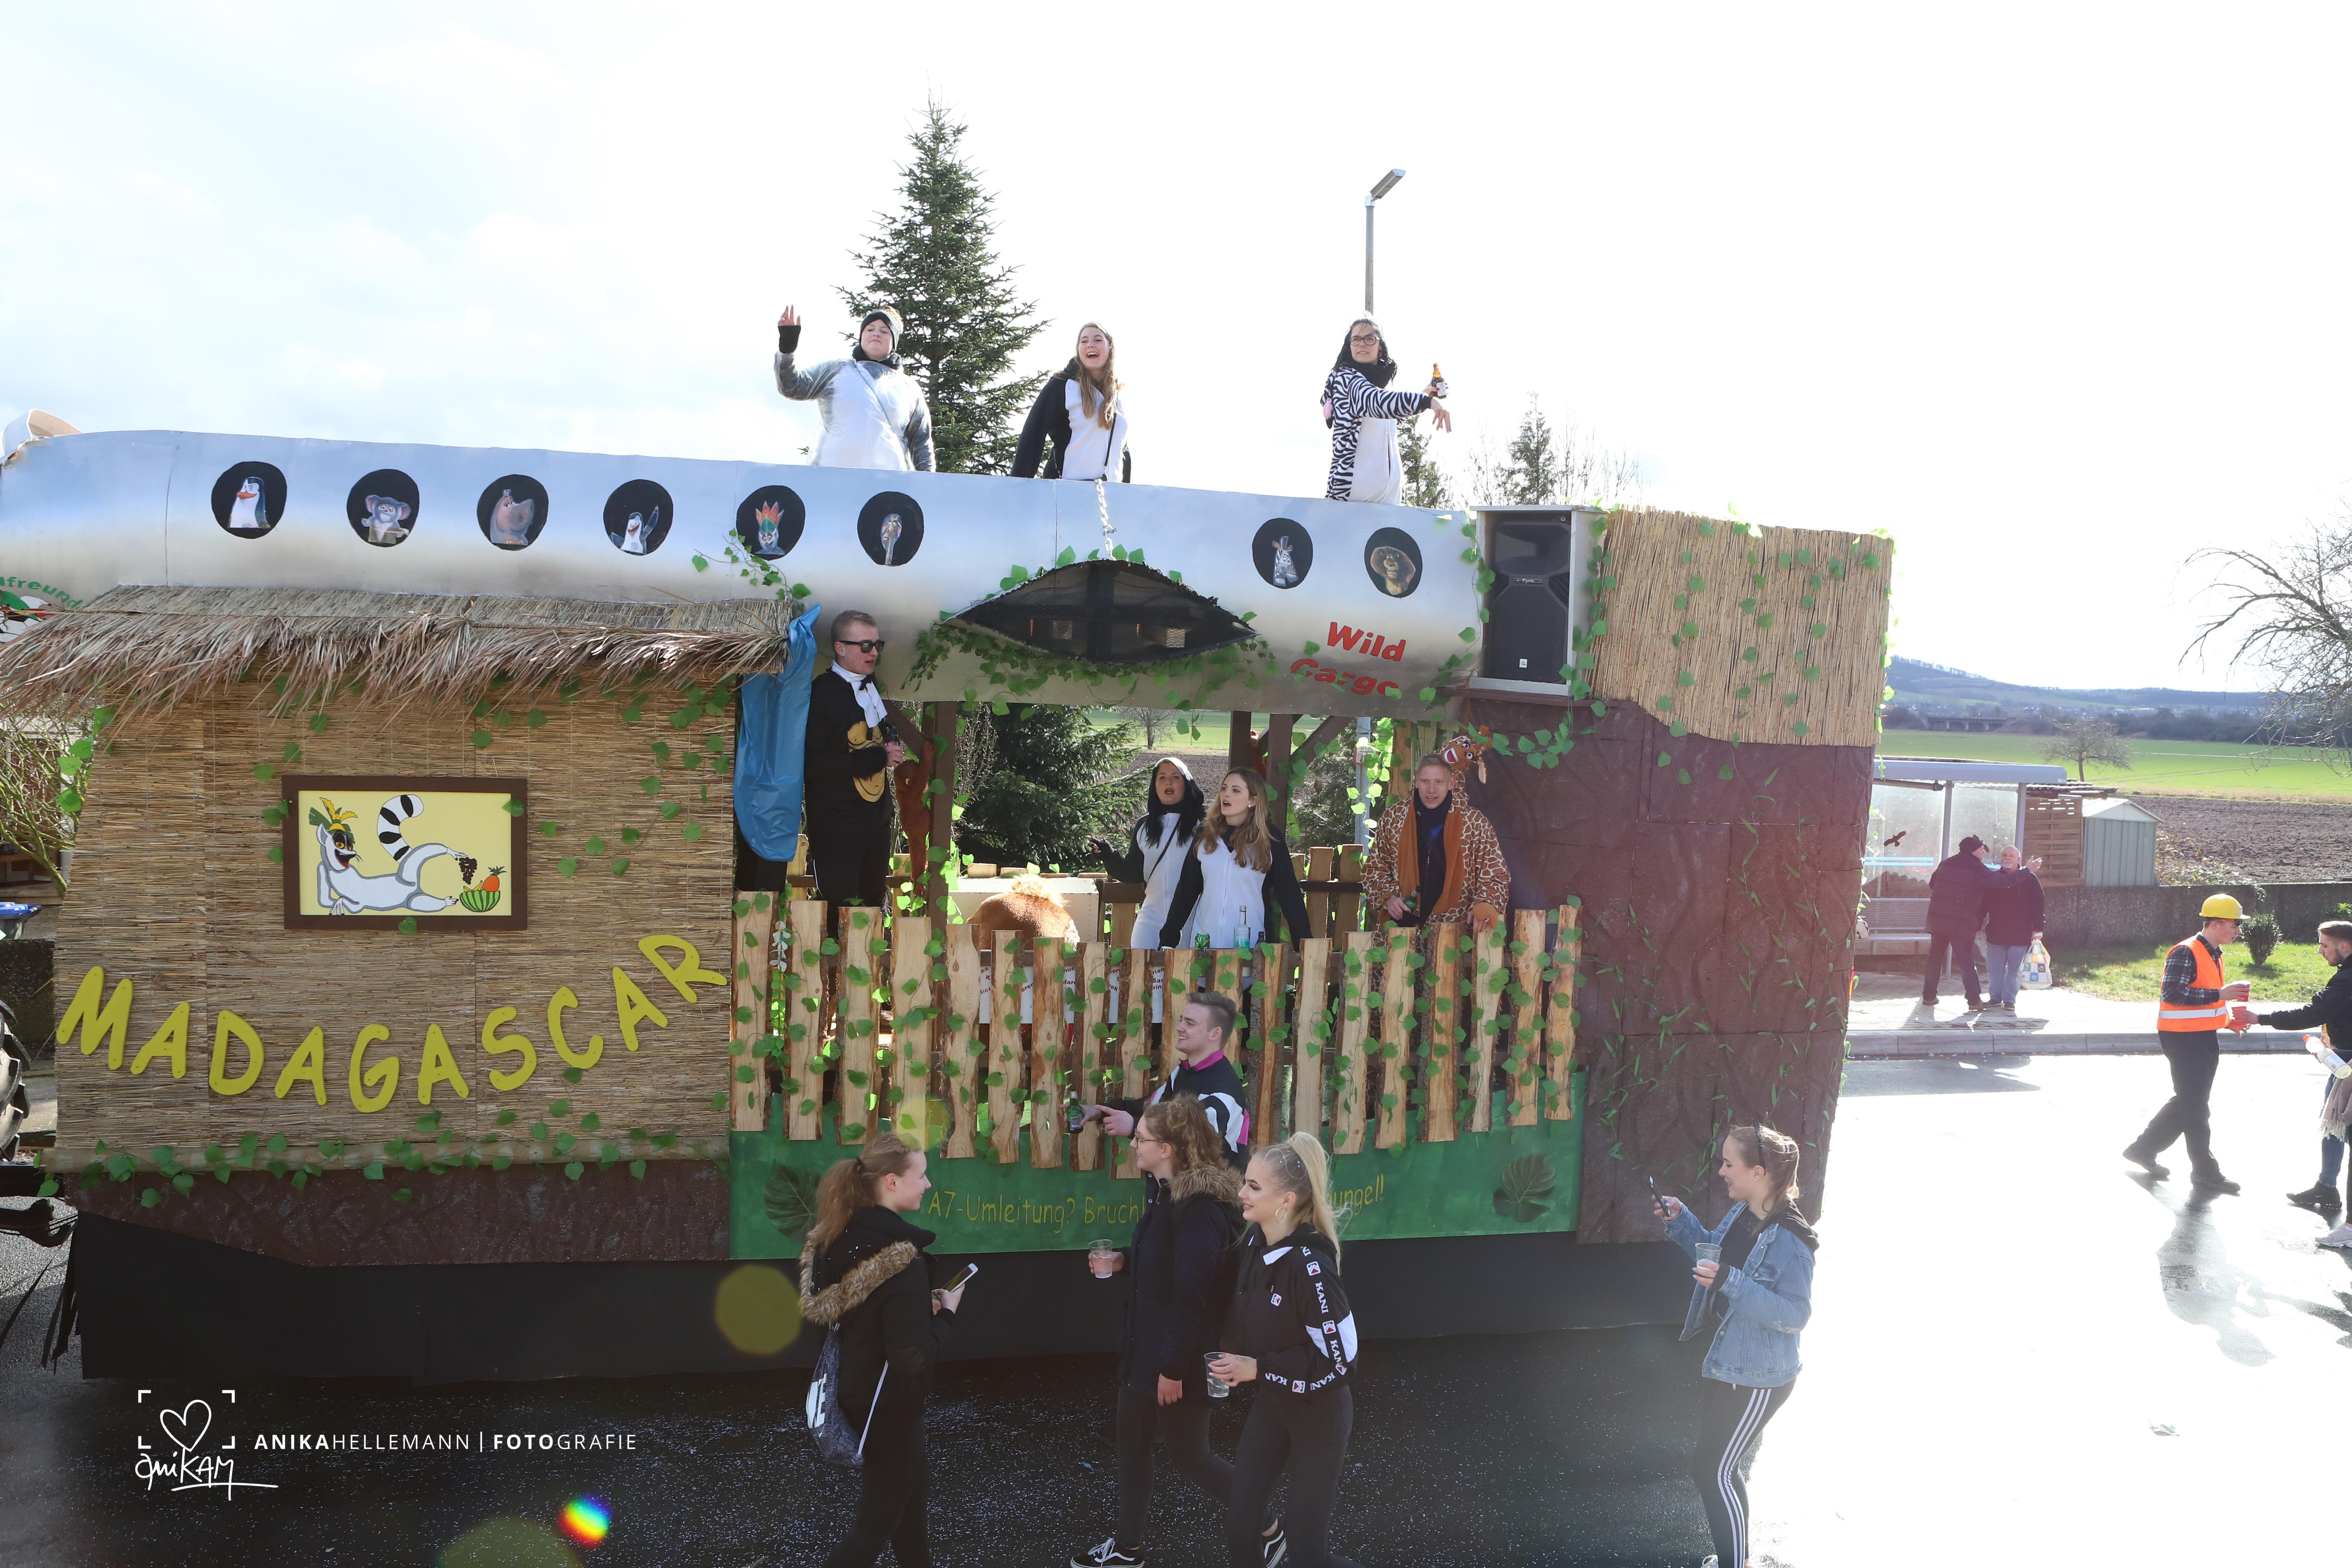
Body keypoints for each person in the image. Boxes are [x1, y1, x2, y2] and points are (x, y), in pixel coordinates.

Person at [1071, 1095, 1262, 1568]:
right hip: (1145, 1350)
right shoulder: (1165, 1191)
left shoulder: (1200, 1209)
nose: (1134, 1144)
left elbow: (1192, 1294)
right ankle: (1127, 1547)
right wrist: (1123, 1260)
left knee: (1192, 1457)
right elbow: (1165, 1261)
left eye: (1141, 1138)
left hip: (1176, 1357)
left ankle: (1270, 1525)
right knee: (1132, 1446)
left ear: (1168, 1149)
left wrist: (1173, 1369)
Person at [799, 1129, 966, 1568]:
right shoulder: (902, 1261)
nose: (928, 1183)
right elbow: (911, 1357)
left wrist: (916, 1311)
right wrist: (946, 1315)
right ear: (892, 1181)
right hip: (889, 1405)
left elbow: (862, 1316)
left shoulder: (838, 1235)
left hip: (854, 1388)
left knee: (909, 1511)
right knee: (874, 1527)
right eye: (921, 1175)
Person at [1654, 1125, 1819, 1568]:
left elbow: (1796, 1314)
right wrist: (1682, 1221)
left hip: (1758, 1377)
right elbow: (1715, 1256)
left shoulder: (1793, 1241)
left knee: (1712, 1469)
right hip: (1729, 1362)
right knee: (1721, 1469)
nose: (1722, 1171)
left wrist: (1733, 1281)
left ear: (1759, 1172)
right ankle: (1738, 1559)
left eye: (1730, 1163)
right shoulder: (1746, 1213)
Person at [1209, 1134, 1363, 1568]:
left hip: (1321, 1414)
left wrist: (1260, 1368)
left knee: (1307, 1551)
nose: (1241, 1191)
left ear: (1287, 1199)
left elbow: (1341, 1363)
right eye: (1246, 1181)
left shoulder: (1311, 1267)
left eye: (1254, 1186)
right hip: (1275, 1404)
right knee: (1241, 1524)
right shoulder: (1255, 1241)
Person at [2122, 894, 2254, 1193]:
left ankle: (2143, 1149)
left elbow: (2203, 1000)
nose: (2238, 931)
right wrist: (2221, 995)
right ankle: (2205, 1172)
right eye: (2235, 925)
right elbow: (2173, 994)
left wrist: (2227, 1020)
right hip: (2183, 1039)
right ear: (2216, 924)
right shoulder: (2186, 951)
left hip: (2201, 1036)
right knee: (2196, 1108)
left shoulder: (2213, 953)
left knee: (2188, 1100)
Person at [2248, 919, 2352, 1235]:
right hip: (2341, 1059)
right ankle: (2327, 1187)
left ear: (2344, 946)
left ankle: (2344, 1217)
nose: (2320, 951)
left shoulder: (2347, 979)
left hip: (2348, 1065)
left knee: (2341, 1127)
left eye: (2324, 945)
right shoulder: (2345, 975)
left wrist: (2261, 1018)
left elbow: (2313, 1013)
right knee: (2332, 1124)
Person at [804, 611, 907, 913]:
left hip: (875, 823)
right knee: (840, 912)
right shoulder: (821, 694)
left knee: (872, 908)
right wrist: (878, 757)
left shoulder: (869, 685)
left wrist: (888, 748)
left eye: (877, 645)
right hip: (837, 828)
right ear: (840, 648)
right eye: (865, 646)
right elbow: (814, 763)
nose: (874, 653)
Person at [1084, 992, 1253, 1167]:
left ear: (1215, 1034)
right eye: (1182, 1020)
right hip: (1180, 1183)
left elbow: (1196, 1141)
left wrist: (1135, 1127)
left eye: (1190, 1023)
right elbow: (1151, 1107)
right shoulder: (1183, 1072)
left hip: (1210, 1184)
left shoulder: (1224, 1089)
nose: (1179, 1027)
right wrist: (1099, 1112)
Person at [1158, 770, 1311, 953]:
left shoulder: (1269, 839)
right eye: (1224, 789)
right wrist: (1168, 940)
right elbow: (1186, 892)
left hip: (1251, 949)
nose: (1226, 794)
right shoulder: (1205, 836)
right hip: (1205, 945)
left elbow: (1290, 895)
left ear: (1253, 800)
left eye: (1236, 790)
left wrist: (1305, 947)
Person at [1360, 753, 1510, 936]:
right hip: (1400, 931)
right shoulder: (1393, 818)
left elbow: (1496, 875)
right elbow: (1374, 870)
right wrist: (1389, 898)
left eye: (1439, 782)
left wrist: (1485, 903)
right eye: (1425, 781)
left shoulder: (1475, 823)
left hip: (1456, 931)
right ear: (1416, 781)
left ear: (1451, 783)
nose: (1431, 790)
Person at [774, 304, 936, 471]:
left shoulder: (909, 389)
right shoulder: (836, 371)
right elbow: (793, 388)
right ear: (861, 336)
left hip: (888, 482)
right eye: (870, 329)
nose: (876, 334)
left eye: (884, 331)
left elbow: (922, 443)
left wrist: (928, 482)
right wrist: (787, 347)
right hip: (830, 476)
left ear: (894, 342)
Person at [1321, 317, 1449, 504]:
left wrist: (1424, 393)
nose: (1362, 344)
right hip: (1352, 500)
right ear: (1350, 346)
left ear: (1380, 346)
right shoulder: (1345, 380)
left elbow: (1387, 415)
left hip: (1389, 501)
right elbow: (1378, 402)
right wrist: (1427, 402)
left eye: (1369, 339)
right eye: (1356, 340)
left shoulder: (1375, 386)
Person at [1090, 760, 1207, 949]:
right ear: (1155, 786)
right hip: (1150, 921)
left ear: (1187, 783)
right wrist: (1108, 855)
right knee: (1140, 967)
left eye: (1176, 777)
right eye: (1162, 778)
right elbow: (1133, 873)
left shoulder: (1203, 826)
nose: (1168, 783)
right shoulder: (1144, 826)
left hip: (1192, 923)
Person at [1920, 835, 2041, 1011]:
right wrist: (2027, 870)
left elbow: (1933, 884)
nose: (1983, 853)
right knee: (1966, 962)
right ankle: (1974, 1001)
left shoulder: (1946, 864)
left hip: (1938, 920)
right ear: (1973, 851)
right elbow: (2002, 882)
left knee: (1935, 958)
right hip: (1960, 922)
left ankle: (1929, 997)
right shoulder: (1976, 868)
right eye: (1981, 850)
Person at [1015, 323, 1133, 482]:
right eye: (1084, 341)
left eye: (1098, 340)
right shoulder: (1063, 386)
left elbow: (1122, 450)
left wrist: (1127, 491)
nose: (1090, 344)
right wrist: (1018, 486)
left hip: (1112, 493)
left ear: (1110, 348)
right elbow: (1033, 434)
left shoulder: (1119, 396)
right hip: (1067, 490)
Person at [1980, 845, 2046, 1013]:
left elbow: (2039, 905)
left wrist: (2038, 928)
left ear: (2019, 859)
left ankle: (2009, 1000)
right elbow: (1982, 905)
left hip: (2020, 933)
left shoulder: (2030, 879)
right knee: (1995, 970)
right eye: (2004, 855)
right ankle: (1995, 998)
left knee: (2015, 970)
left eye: (2011, 856)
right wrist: (1977, 925)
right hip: (1996, 933)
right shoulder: (1995, 879)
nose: (2007, 858)